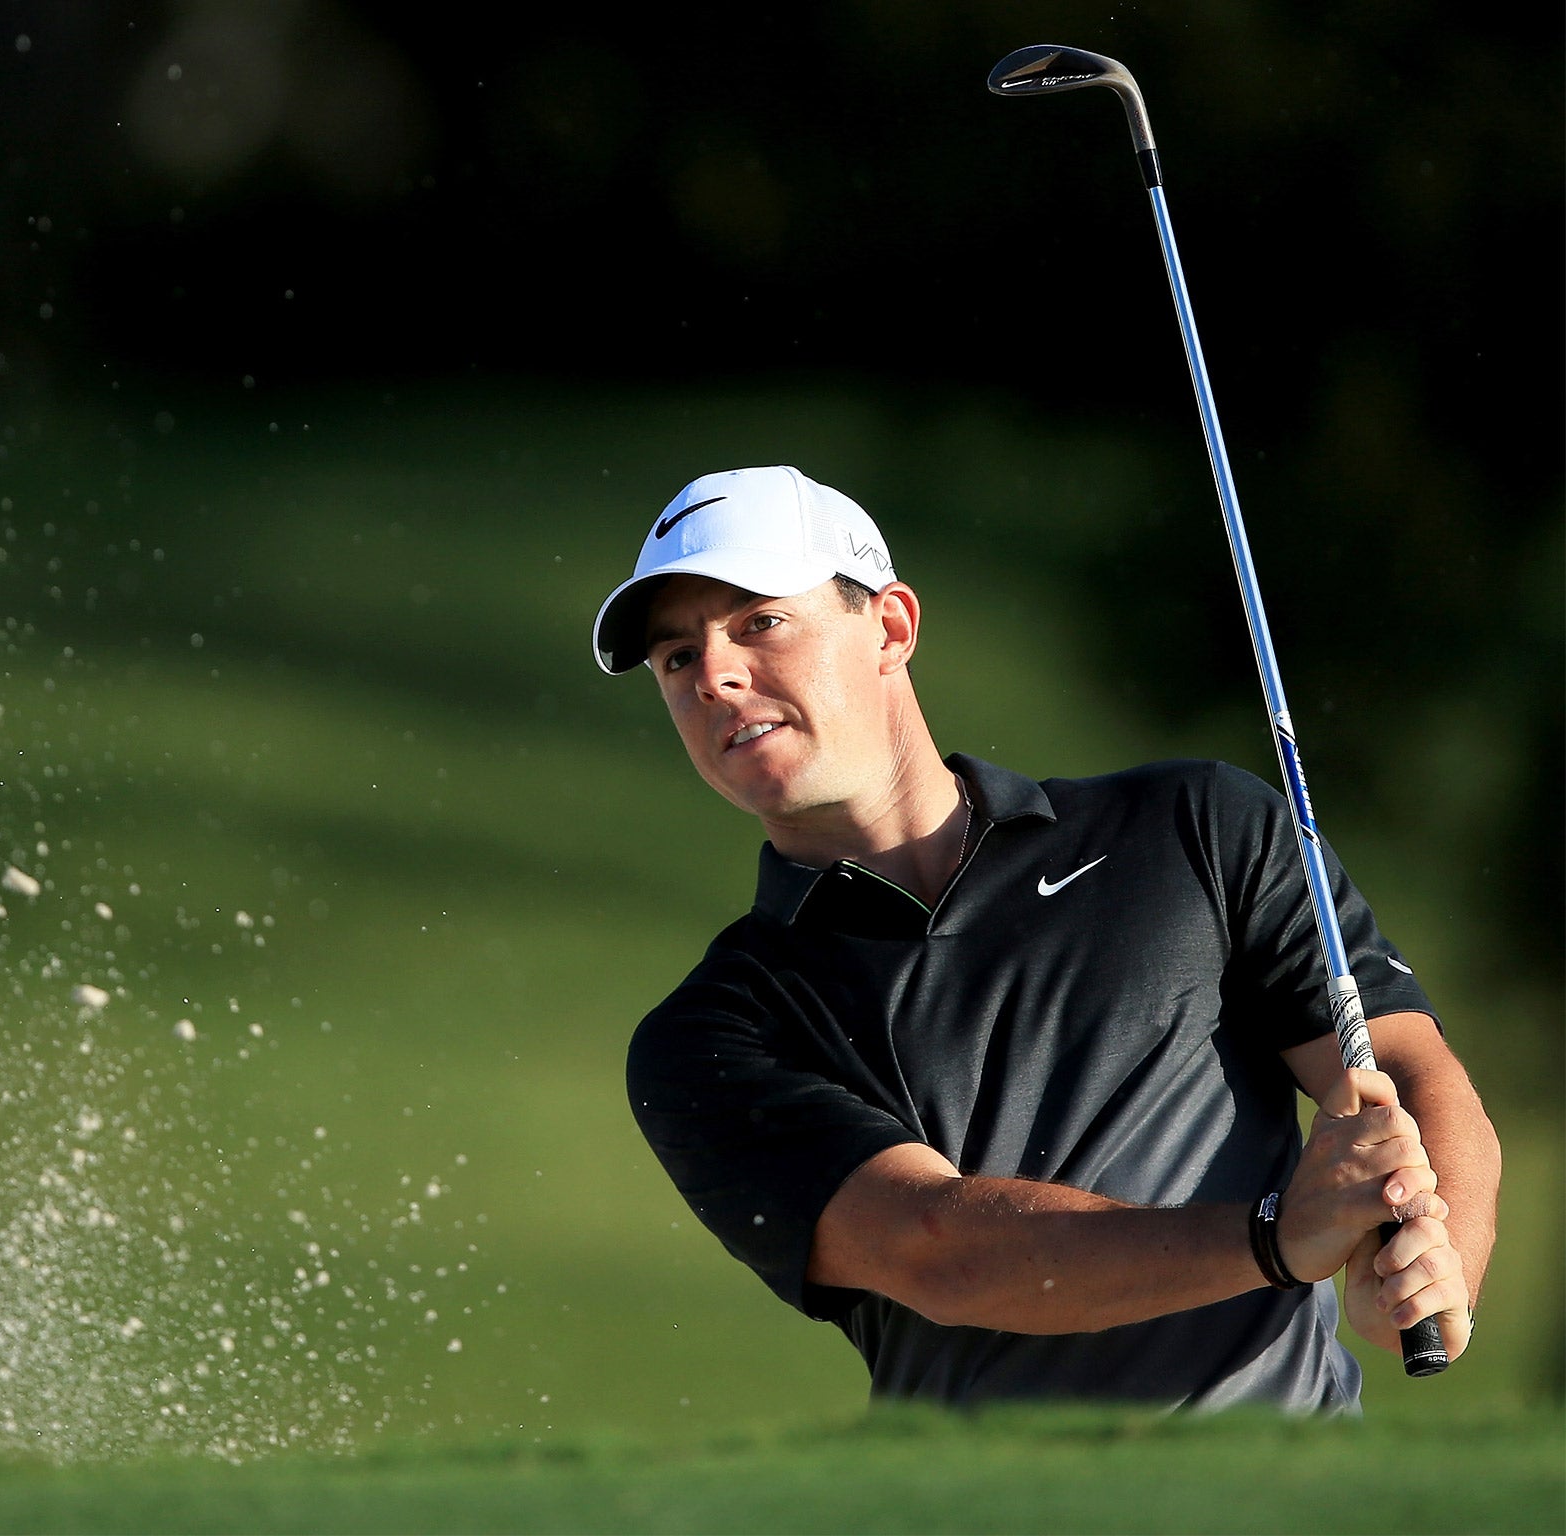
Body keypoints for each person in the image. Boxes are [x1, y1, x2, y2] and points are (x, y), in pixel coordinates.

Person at [592, 465, 1499, 1410]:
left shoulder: (1195, 826)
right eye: (675, 659)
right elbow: (937, 1250)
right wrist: (1274, 1239)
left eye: (758, 622)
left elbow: (1406, 1066)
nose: (716, 676)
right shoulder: (712, 1033)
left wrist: (1435, 1272)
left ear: (891, 628)